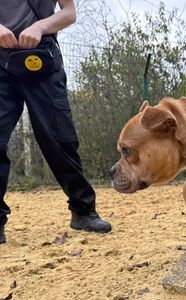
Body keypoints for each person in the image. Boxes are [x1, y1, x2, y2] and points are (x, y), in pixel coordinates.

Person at [0, 0, 111, 244]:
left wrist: (40, 27)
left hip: (41, 55)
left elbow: (69, 12)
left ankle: (83, 211)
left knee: (61, 139)